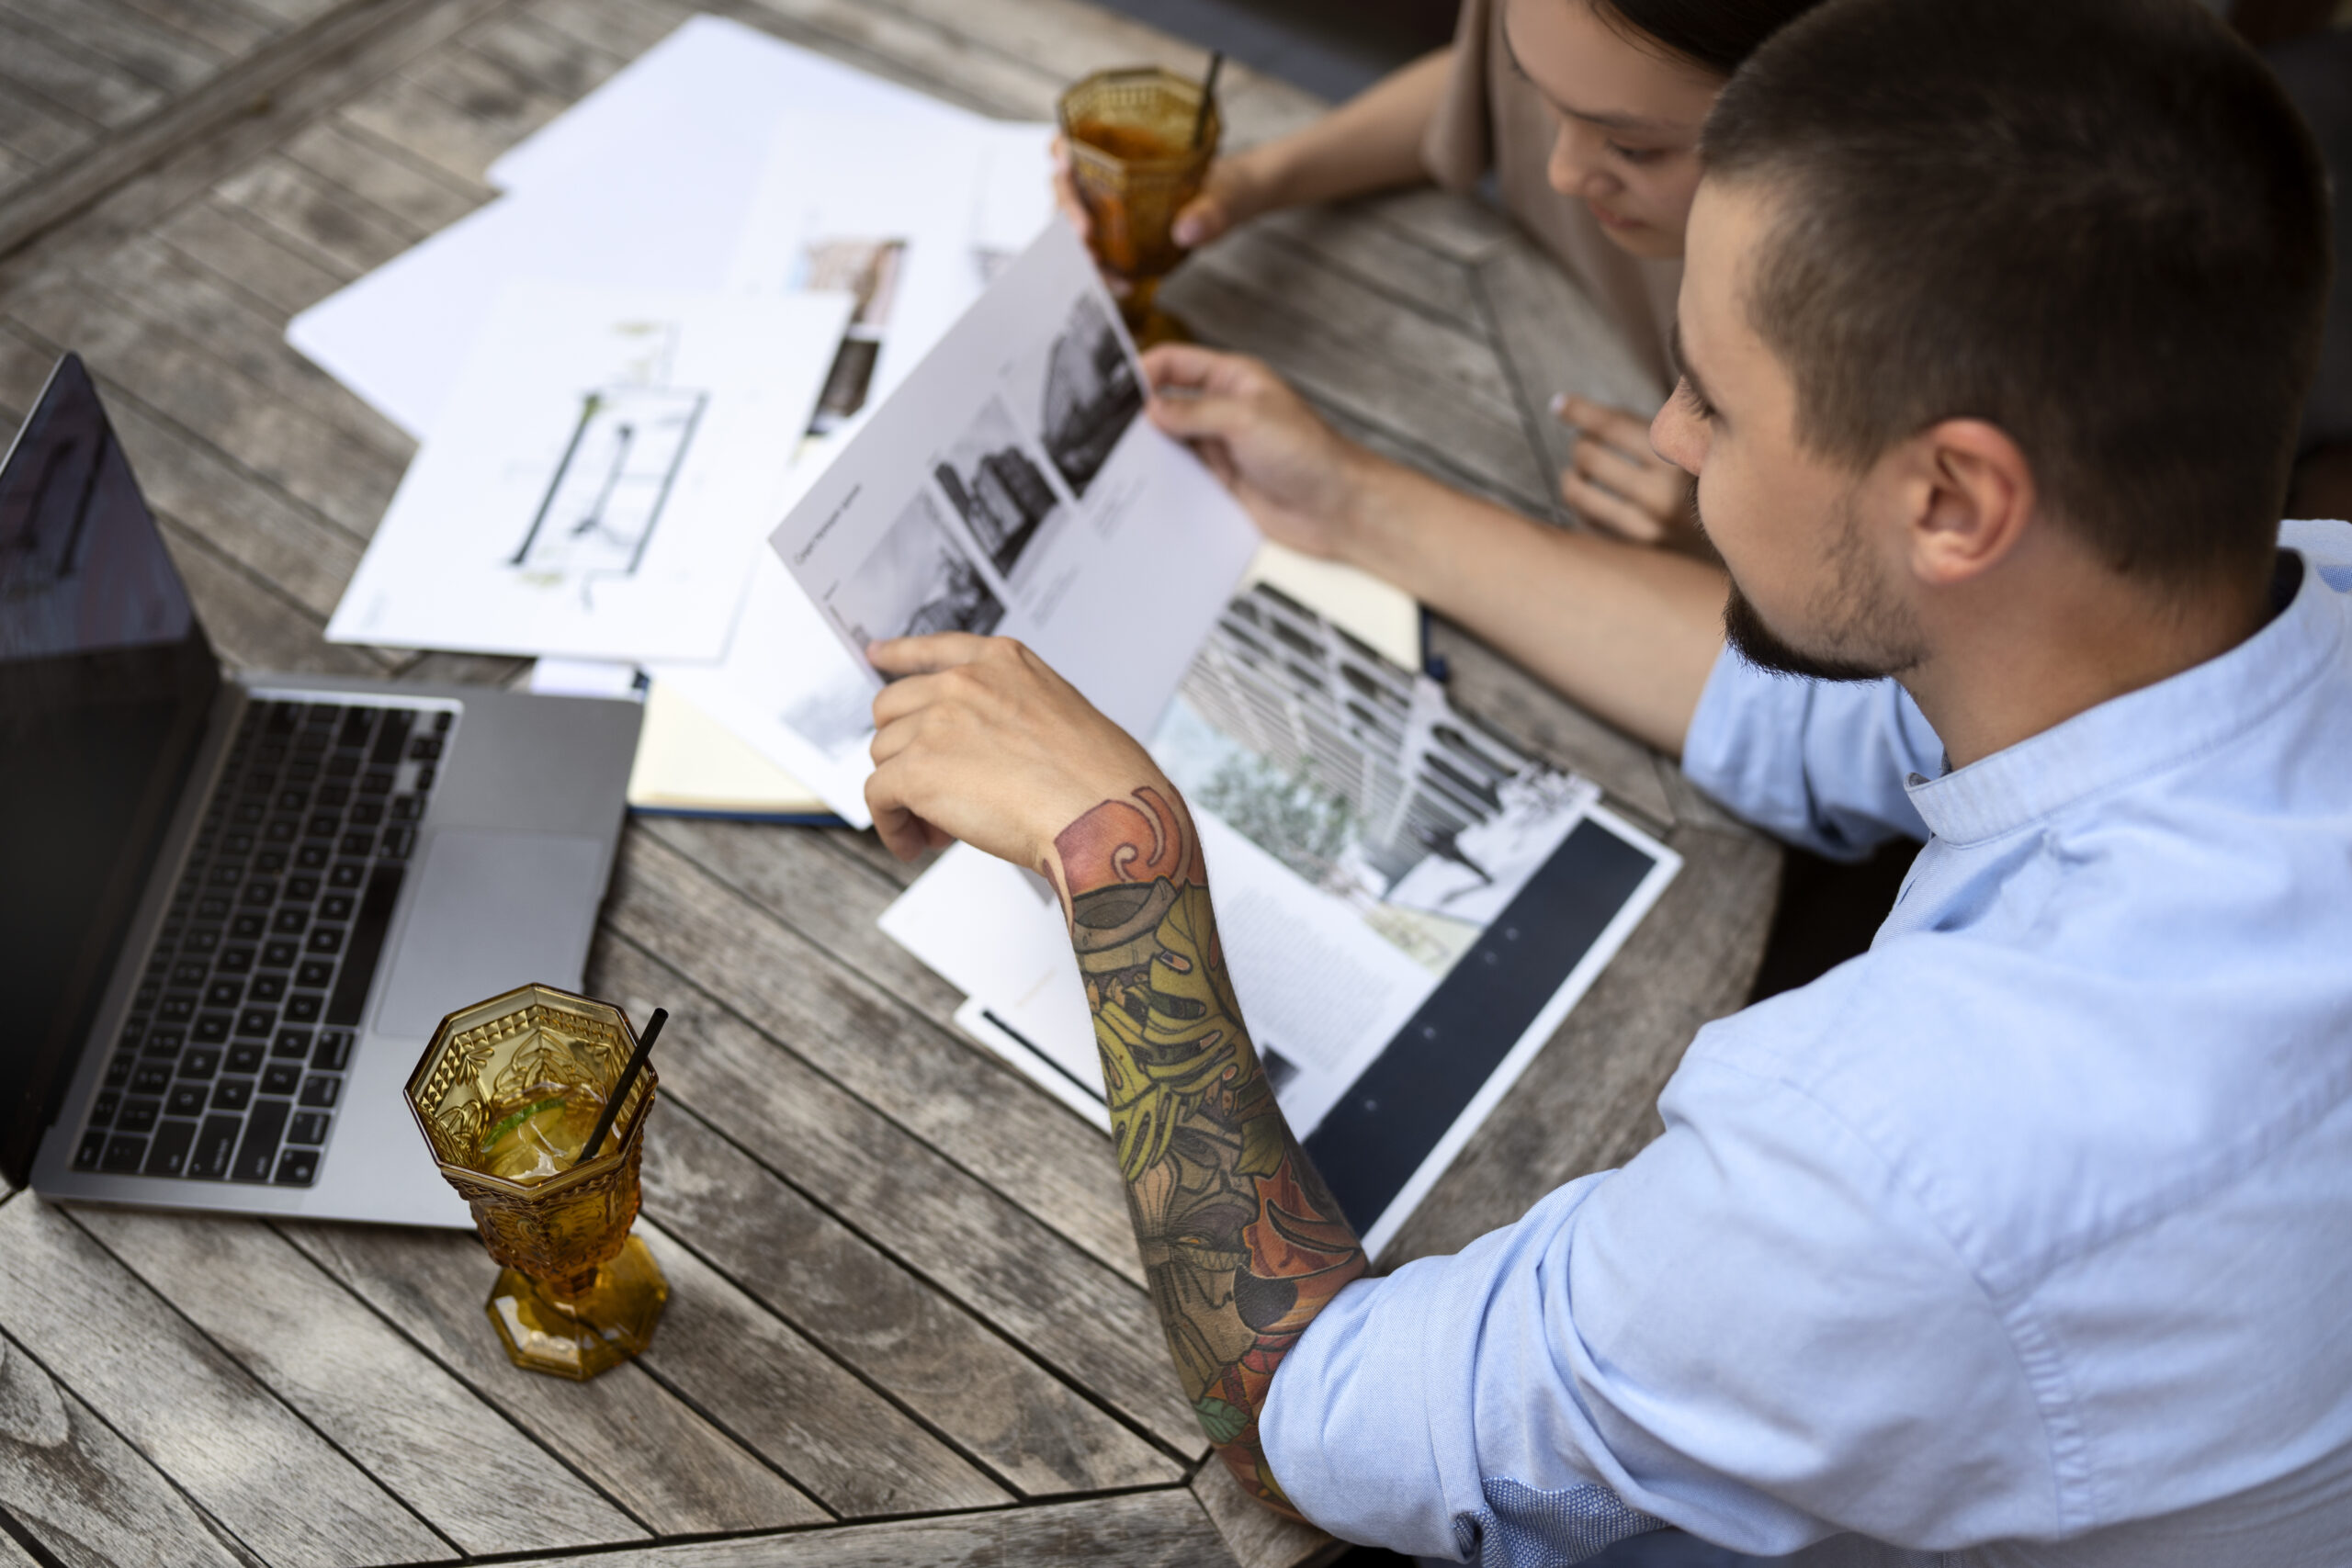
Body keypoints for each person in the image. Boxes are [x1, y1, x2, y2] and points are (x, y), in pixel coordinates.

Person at [873, 0, 2352, 1560]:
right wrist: (1365, 506)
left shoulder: (1890, 1162)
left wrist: (1120, 850)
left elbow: (1310, 1414)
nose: (1667, 427)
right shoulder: (2251, 607)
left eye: (1714, 393)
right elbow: (1808, 723)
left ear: (1951, 496)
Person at [1057, 0, 1829, 548]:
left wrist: (1732, 531)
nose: (1561, 169)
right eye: (1539, 94)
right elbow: (1471, 88)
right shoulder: (1579, 43)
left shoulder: (1858, 341)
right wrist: (1252, 183)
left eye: (1632, 149)